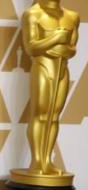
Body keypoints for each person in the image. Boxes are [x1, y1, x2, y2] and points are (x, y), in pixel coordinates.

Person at [22, 0, 79, 175]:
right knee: (40, 114)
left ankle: (47, 160)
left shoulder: (72, 16)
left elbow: (72, 49)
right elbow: (31, 47)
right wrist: (56, 38)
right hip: (43, 68)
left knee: (54, 116)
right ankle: (37, 161)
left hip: (62, 69)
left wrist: (63, 50)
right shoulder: (33, 14)